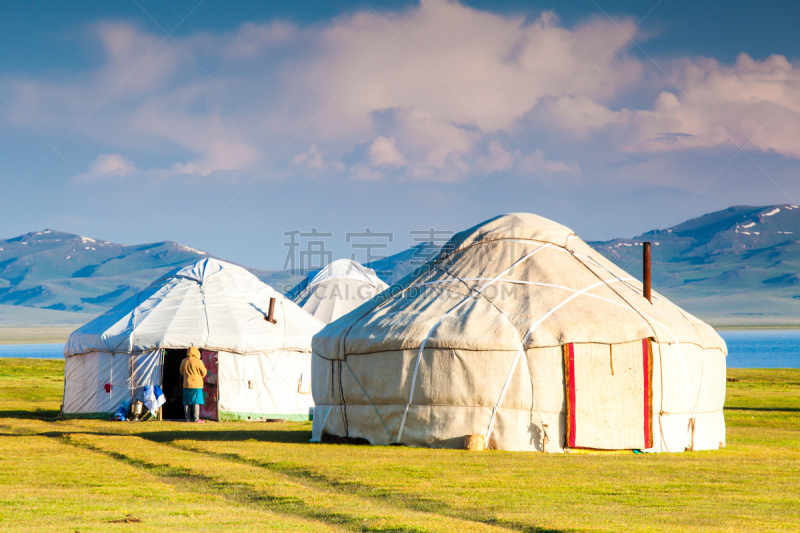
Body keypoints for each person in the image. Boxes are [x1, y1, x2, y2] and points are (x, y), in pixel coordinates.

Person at [180, 346, 207, 422]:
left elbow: (181, 372)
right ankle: (196, 419)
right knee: (196, 402)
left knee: (186, 402)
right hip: (197, 385)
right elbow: (204, 372)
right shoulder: (198, 361)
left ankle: (187, 418)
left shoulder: (184, 361)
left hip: (187, 384)